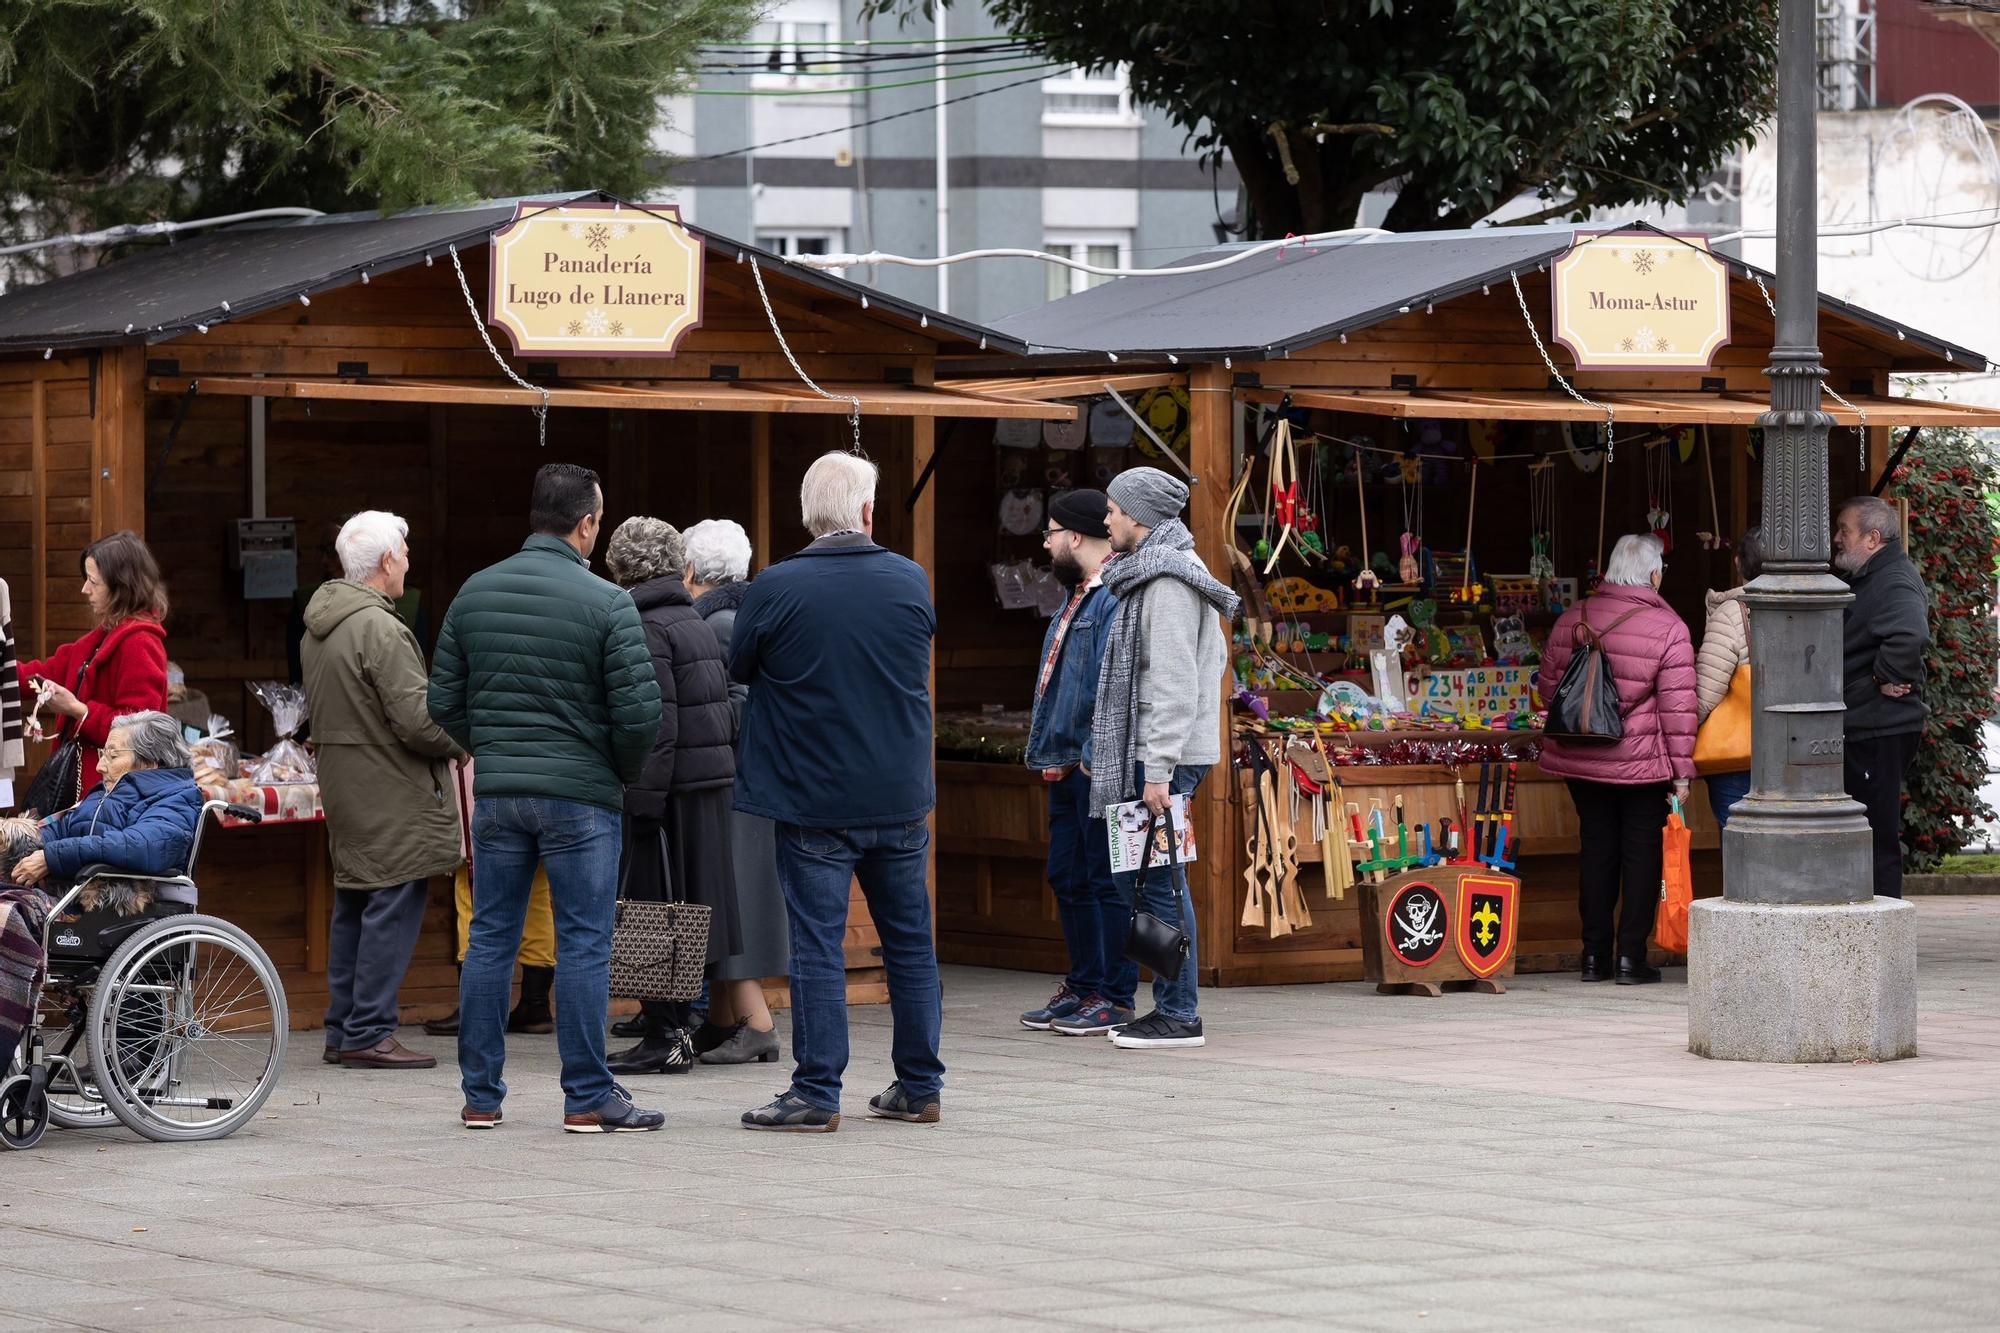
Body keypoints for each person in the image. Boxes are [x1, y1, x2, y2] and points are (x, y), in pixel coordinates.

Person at [428, 463, 665, 1134]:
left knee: (490, 937)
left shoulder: (476, 592)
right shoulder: (608, 602)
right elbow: (641, 714)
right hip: (582, 797)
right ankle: (587, 1095)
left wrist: (494, 747)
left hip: (500, 794)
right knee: (584, 942)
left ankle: (480, 1097)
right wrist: (612, 768)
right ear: (586, 524)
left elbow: (441, 698)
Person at [730, 452, 943, 1132]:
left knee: (816, 943)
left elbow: (741, 665)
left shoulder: (775, 585)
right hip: (900, 791)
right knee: (910, 942)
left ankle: (817, 1092)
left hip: (813, 793)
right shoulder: (909, 579)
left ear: (806, 515)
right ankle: (920, 1084)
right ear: (868, 512)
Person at [301, 511, 465, 1071]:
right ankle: (369, 1030)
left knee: (355, 904)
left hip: (351, 786)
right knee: (390, 906)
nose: (409, 561)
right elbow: (418, 721)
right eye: (405, 551)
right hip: (390, 788)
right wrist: (465, 737)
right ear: (388, 561)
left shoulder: (322, 623)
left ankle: (344, 1028)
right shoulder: (379, 626)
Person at [1090, 467, 1239, 1050]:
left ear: (1140, 516)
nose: (1106, 520)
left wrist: (1157, 771)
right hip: (1154, 754)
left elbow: (1175, 685)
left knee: (1161, 884)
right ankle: (1171, 1007)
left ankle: (1178, 1012)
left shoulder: (1170, 583)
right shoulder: (1151, 577)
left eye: (1113, 510)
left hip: (1162, 760)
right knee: (1145, 880)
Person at [601, 517, 745, 1076]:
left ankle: (665, 1033)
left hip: (671, 788)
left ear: (619, 568)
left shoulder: (645, 625)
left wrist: (640, 800)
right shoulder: (690, 618)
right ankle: (676, 1029)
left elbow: (656, 725)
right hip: (705, 784)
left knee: (656, 909)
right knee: (689, 908)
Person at [1536, 533, 1697, 985]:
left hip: (1580, 760)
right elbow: (1678, 710)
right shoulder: (1670, 629)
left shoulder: (1572, 618)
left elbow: (1550, 690)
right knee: (1640, 856)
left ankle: (1593, 957)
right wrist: (1682, 773)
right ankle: (1630, 958)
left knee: (1596, 850)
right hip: (1642, 763)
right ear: (1654, 574)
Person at [1018, 489, 1133, 1037]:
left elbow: (1112, 688)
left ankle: (1115, 994)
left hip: (1096, 764)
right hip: (1066, 762)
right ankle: (1085, 985)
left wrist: (1090, 759)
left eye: (1052, 531)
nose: (1045, 543)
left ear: (1078, 537)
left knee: (1106, 880)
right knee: (1068, 876)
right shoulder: (1076, 595)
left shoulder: (1111, 595)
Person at [681, 518, 785, 1064]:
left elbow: (740, 706)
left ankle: (755, 1024)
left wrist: (692, 722)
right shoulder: (739, 612)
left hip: (734, 784)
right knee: (726, 898)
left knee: (732, 899)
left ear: (692, 569)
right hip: (746, 781)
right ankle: (723, 1021)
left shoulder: (719, 621)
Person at [19, 531, 170, 802]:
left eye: (93, 581)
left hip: (113, 798)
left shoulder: (140, 643)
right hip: (89, 792)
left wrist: (78, 710)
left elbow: (142, 731)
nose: (84, 589)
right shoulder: (102, 637)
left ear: (121, 587)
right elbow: (40, 674)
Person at [1834, 496, 1930, 900]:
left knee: (1875, 834)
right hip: (1871, 722)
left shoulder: (1892, 579)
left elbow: (1910, 635)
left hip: (1880, 725)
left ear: (1873, 538)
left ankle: (1881, 929)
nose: (1836, 539)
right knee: (1867, 831)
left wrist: (1882, 676)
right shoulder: (1877, 575)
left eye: (1844, 531)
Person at [422, 757, 557, 1040]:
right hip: (544, 786)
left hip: (485, 782)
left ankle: (474, 1007)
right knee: (538, 897)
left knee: (471, 893)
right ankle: (536, 1003)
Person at [12, 711, 203, 896]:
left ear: (149, 762)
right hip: (68, 893)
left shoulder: (177, 798)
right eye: (103, 754)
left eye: (112, 756)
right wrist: (15, 839)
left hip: (116, 905)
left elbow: (137, 846)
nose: (99, 766)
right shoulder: (105, 792)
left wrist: (52, 858)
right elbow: (62, 829)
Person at [1695, 526, 1763, 828]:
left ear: (1738, 563)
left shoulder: (1732, 614)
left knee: (1740, 841)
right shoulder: (1810, 607)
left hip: (1737, 757)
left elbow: (1705, 695)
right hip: (1795, 750)